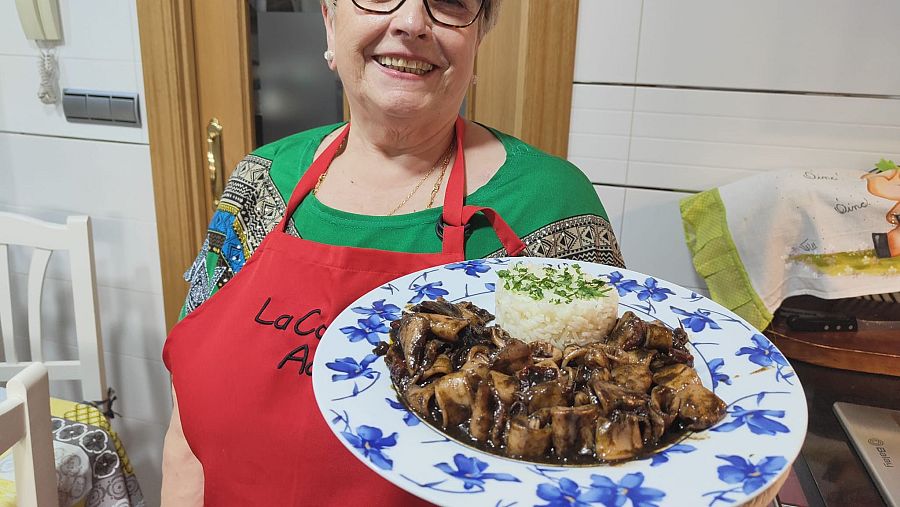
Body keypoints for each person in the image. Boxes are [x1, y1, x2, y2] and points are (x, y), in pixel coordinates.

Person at [161, 0, 625, 504]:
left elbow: (598, 466)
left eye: (448, 1)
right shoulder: (260, 179)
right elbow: (186, 424)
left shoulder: (550, 203)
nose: (409, 22)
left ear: (478, 38)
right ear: (330, 20)